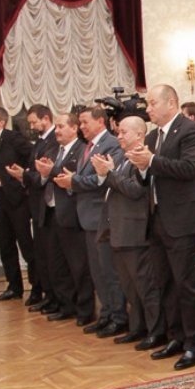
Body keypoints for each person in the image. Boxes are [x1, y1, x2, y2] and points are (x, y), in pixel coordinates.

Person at [126, 84, 195, 371]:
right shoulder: (152, 135)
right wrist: (142, 167)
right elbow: (147, 179)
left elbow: (190, 168)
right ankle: (176, 337)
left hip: (184, 220)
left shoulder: (190, 131)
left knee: (186, 284)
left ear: (170, 103)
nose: (147, 110)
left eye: (151, 104)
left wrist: (152, 161)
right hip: (158, 217)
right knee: (165, 283)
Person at [92, 116, 165, 350]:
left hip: (136, 232)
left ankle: (156, 332)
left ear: (139, 135)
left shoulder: (143, 158)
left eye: (124, 132)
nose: (119, 136)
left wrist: (110, 174)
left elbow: (135, 190)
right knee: (130, 287)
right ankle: (137, 328)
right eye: (119, 132)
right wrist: (106, 174)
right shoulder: (123, 158)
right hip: (118, 231)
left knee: (145, 287)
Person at [67, 106, 127, 338]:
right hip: (87, 217)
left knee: (108, 271)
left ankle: (119, 317)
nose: (81, 127)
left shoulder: (110, 144)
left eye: (84, 122)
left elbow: (102, 179)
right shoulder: (88, 146)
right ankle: (106, 314)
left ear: (100, 121)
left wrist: (74, 181)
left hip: (101, 216)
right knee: (97, 272)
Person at [34, 113, 94, 325]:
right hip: (50, 214)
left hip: (71, 215)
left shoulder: (82, 149)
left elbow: (74, 177)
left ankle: (85, 310)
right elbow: (43, 177)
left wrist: (51, 171)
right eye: (56, 127)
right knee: (56, 265)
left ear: (73, 128)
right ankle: (65, 305)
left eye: (61, 127)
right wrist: (42, 173)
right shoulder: (53, 150)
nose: (57, 131)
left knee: (78, 266)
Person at [8, 104, 59, 313]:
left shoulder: (53, 141)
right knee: (42, 254)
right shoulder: (40, 142)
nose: (31, 126)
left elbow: (42, 175)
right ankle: (48, 295)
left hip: (47, 206)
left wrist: (24, 175)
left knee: (51, 256)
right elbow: (34, 170)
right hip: (37, 206)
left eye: (33, 122)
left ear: (45, 118)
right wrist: (25, 173)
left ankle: (56, 297)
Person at [0, 106, 35, 301]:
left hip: (18, 198)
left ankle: (37, 288)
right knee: (6, 244)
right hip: (1, 197)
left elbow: (32, 154)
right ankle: (14, 287)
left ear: (1, 122)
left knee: (25, 244)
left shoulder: (13, 138)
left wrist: (23, 177)